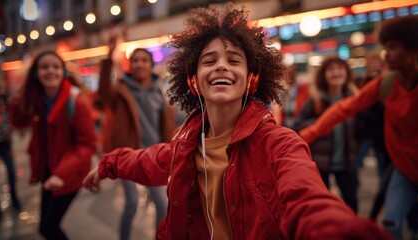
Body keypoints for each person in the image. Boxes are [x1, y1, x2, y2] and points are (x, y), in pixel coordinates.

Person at [83, 5, 391, 239]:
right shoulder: (186, 143)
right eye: (209, 60)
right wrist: (108, 164)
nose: (221, 66)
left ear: (251, 79)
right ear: (193, 81)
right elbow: (149, 160)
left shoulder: (279, 144)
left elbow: (306, 197)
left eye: (233, 60)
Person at [299, 15, 418, 240]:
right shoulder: (385, 84)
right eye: (385, 47)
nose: (386, 54)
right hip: (404, 168)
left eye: (393, 47)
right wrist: (306, 135)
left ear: (414, 50)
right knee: (391, 223)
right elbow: (345, 109)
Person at [9, 51, 97, 240]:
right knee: (46, 227)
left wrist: (61, 174)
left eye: (56, 67)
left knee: (48, 228)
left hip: (68, 174)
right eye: (44, 67)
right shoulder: (37, 99)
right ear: (35, 73)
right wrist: (19, 94)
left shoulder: (76, 102)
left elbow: (88, 144)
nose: (50, 71)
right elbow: (18, 122)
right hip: (49, 172)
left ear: (63, 72)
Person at [96, 36, 176, 240]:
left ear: (151, 65)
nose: (140, 64)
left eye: (144, 60)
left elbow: (168, 126)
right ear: (131, 65)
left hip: (154, 156)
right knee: (131, 202)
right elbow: (103, 91)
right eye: (136, 61)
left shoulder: (160, 93)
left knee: (162, 203)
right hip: (127, 154)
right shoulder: (121, 91)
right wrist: (108, 57)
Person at [294, 56, 359, 212]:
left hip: (347, 162)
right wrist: (321, 122)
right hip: (320, 162)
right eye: (331, 69)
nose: (336, 73)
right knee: (323, 205)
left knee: (351, 203)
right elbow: (297, 126)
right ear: (324, 75)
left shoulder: (355, 100)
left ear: (347, 73)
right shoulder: (316, 100)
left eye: (340, 68)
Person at [0, 76, 21, 218]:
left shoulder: (5, 100)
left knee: (12, 172)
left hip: (4, 143)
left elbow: (10, 121)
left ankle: (14, 199)